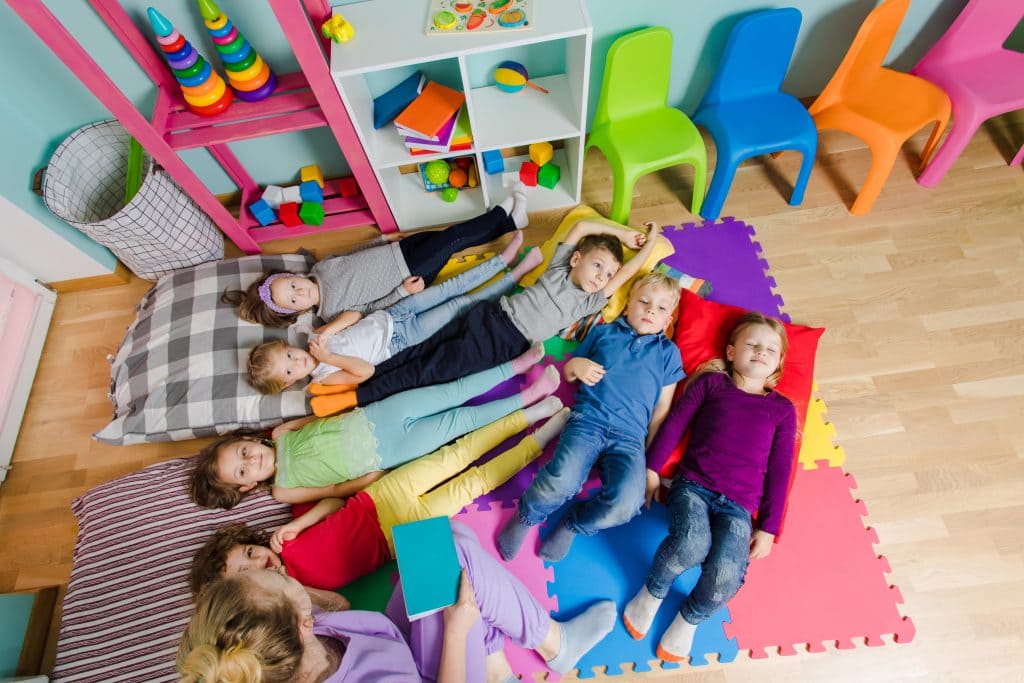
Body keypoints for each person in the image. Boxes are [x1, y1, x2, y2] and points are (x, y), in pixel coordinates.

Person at [189, 407, 570, 595]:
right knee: (474, 485)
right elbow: (336, 605)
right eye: (246, 570)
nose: (259, 561)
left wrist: (296, 526)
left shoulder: (286, 539)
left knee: (454, 455)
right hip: (400, 537)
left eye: (249, 553)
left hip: (379, 498)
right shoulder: (295, 597)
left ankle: (528, 414)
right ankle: (539, 441)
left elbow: (336, 504)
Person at [178, 521, 617, 682]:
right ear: (301, 626)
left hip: (395, 645)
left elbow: (341, 607)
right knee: (460, 563)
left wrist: (297, 590)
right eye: (267, 581)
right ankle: (555, 645)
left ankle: (495, 660)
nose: (268, 570)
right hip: (430, 675)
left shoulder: (287, 648)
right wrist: (458, 629)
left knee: (440, 541)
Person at [310, 219, 666, 416]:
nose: (601, 277)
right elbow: (582, 227)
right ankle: (348, 379)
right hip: (487, 314)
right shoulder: (559, 267)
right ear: (577, 259)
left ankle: (353, 397)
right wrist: (619, 234)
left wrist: (649, 243)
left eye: (607, 275)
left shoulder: (587, 302)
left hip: (504, 342)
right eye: (597, 266)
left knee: (430, 371)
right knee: (416, 351)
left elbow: (629, 271)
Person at [621, 312, 797, 661]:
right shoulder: (711, 384)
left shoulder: (782, 411)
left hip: (739, 506)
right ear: (731, 352)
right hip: (694, 486)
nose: (761, 352)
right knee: (690, 544)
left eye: (771, 350)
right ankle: (652, 593)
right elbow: (675, 424)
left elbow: (781, 471)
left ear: (778, 364)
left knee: (727, 575)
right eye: (752, 344)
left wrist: (769, 527)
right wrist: (652, 469)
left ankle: (690, 619)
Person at [188, 354, 561, 509]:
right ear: (247, 485)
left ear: (246, 440)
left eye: (241, 452)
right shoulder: (283, 490)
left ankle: (514, 367)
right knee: (460, 423)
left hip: (376, 416)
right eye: (243, 470)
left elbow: (324, 420)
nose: (250, 459)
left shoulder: (282, 432)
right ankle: (529, 397)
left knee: (452, 391)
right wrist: (371, 478)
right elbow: (332, 490)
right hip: (386, 453)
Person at [498, 272, 685, 562]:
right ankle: (526, 516)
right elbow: (569, 372)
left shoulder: (669, 353)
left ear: (668, 321)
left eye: (661, 308)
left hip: (631, 439)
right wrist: (579, 365)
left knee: (627, 504)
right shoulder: (604, 333)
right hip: (589, 421)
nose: (650, 310)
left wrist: (649, 462)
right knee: (560, 481)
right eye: (644, 302)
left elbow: (662, 409)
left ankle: (575, 524)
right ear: (627, 306)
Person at [245, 236, 543, 393]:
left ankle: (502, 260)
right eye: (289, 370)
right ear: (290, 382)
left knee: (448, 287)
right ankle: (515, 275)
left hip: (393, 312)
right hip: (401, 339)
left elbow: (354, 315)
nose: (295, 361)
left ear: (287, 346)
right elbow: (365, 372)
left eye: (287, 356)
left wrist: (327, 333)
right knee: (461, 306)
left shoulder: (315, 335)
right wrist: (329, 359)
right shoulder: (323, 378)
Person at [225, 190, 529, 328]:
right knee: (453, 239)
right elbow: (371, 309)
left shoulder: (319, 267)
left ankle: (511, 223)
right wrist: (402, 293)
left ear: (292, 276)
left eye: (291, 285)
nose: (298, 292)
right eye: (293, 300)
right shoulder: (330, 313)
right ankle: (500, 213)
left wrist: (382, 240)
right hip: (409, 274)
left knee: (450, 237)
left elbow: (352, 255)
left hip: (397, 251)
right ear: (297, 312)